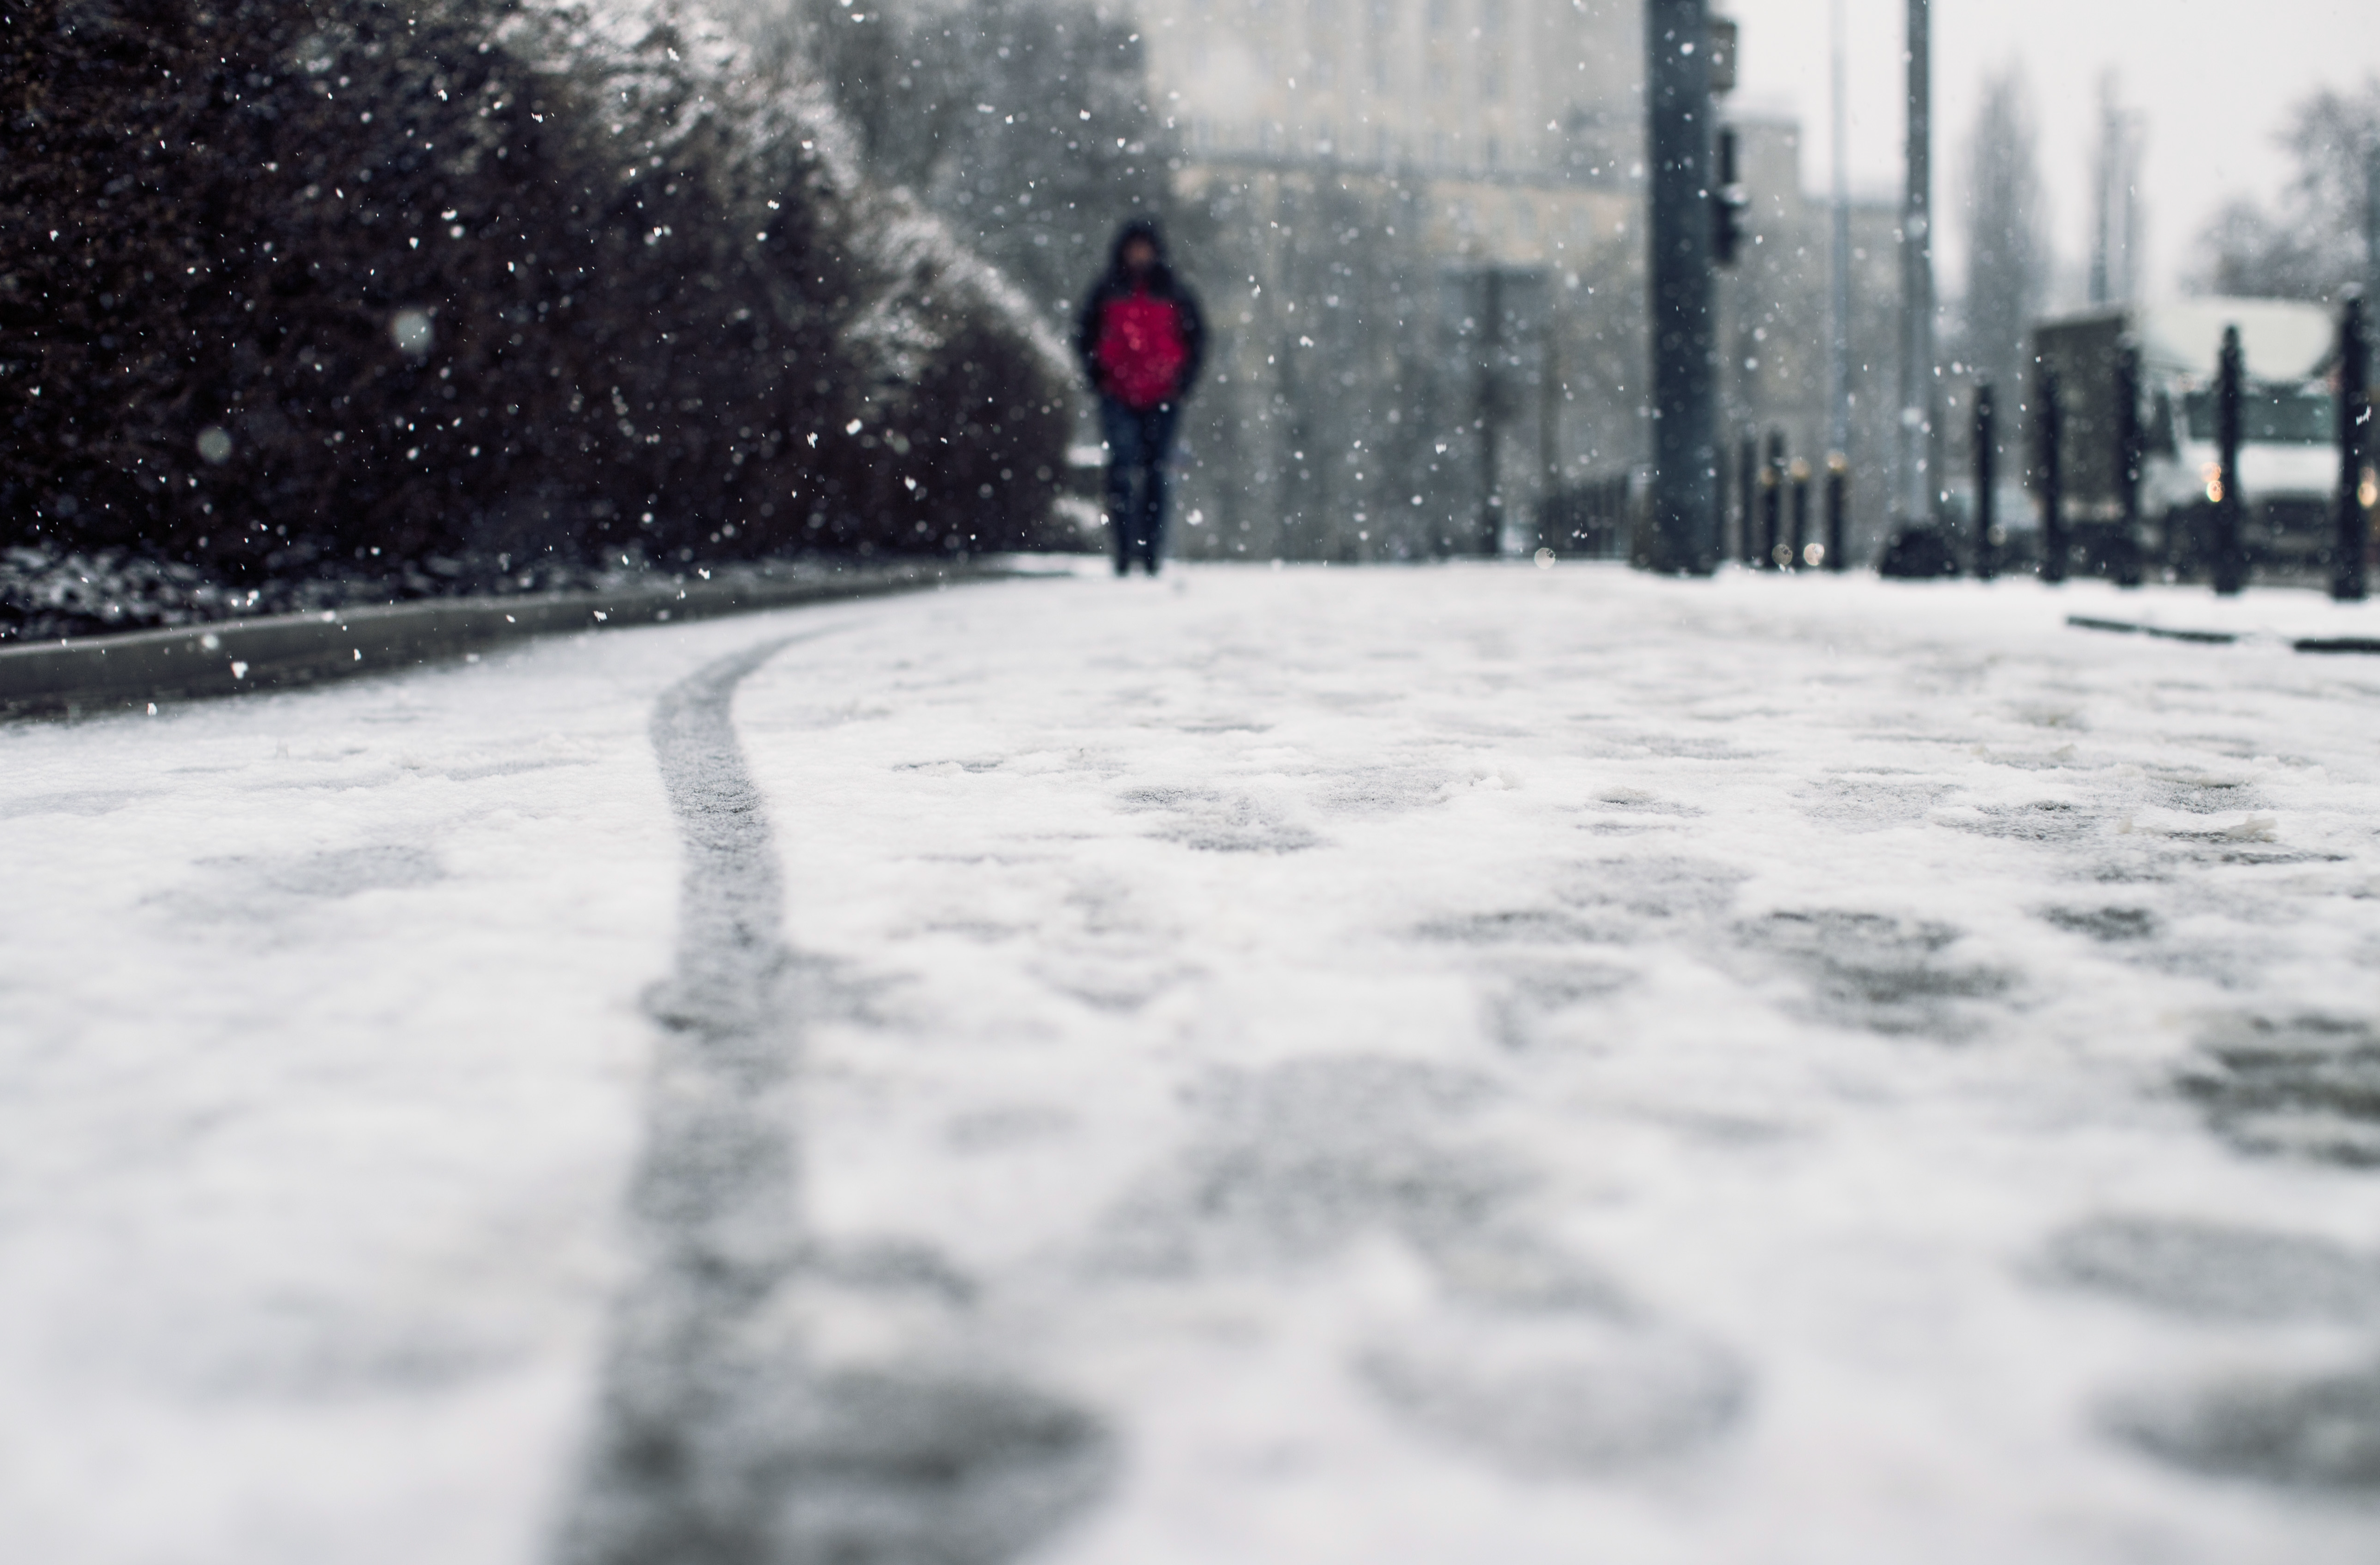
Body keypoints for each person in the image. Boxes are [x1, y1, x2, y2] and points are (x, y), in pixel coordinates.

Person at [1076, 218, 1205, 575]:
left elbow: (1197, 340)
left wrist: (1182, 384)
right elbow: (1085, 335)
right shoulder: (1106, 289)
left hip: (1163, 395)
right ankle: (1122, 553)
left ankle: (1151, 555)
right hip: (1117, 393)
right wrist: (1099, 378)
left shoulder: (1176, 292)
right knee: (1120, 471)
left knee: (1155, 474)